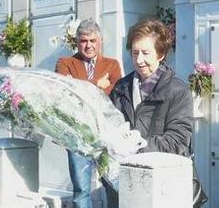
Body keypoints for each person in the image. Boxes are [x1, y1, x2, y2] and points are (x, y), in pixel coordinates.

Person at [55, 19, 122, 208]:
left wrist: (81, 87)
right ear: (77, 42)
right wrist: (97, 85)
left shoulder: (112, 65)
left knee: (112, 185)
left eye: (92, 40)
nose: (89, 45)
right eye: (84, 41)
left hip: (106, 135)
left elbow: (116, 93)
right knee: (81, 190)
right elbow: (66, 92)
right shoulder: (65, 63)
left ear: (100, 41)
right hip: (77, 136)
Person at [109, 19, 193, 156]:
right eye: (135, 53)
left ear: (160, 54)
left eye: (145, 53)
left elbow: (177, 141)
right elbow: (109, 124)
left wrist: (137, 147)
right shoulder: (121, 88)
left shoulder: (178, 92)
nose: (139, 60)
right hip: (125, 170)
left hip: (164, 172)